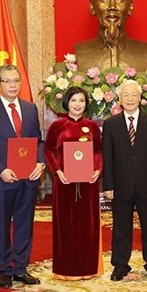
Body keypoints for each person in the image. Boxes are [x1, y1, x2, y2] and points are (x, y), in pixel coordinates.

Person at [0, 64, 46, 289]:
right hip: (2, 179)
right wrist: (0, 170)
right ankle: (5, 269)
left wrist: (40, 162)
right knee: (2, 225)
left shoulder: (29, 108)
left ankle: (20, 268)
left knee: (25, 224)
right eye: (7, 81)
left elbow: (37, 140)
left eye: (16, 80)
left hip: (28, 179)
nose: (13, 85)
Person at [102, 79, 147, 281]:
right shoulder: (110, 124)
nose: (130, 99)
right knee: (121, 227)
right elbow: (107, 158)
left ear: (140, 98)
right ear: (120, 99)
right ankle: (120, 265)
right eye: (126, 95)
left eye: (134, 95)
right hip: (120, 186)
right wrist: (108, 185)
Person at [44, 86, 103, 280]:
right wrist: (57, 171)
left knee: (88, 226)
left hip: (88, 184)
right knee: (66, 226)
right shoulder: (57, 126)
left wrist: (97, 169)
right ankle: (66, 270)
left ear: (86, 104)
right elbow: (49, 151)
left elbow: (98, 152)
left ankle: (87, 268)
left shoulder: (92, 127)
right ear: (67, 103)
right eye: (74, 100)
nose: (78, 104)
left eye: (82, 101)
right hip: (64, 183)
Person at [74, 0, 147, 73]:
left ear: (130, 6)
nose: (112, 7)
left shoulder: (143, 51)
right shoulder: (81, 51)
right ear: (92, 6)